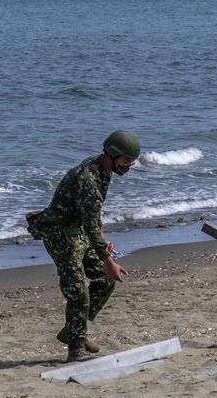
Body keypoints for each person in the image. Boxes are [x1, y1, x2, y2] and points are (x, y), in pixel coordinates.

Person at [26, 130, 139, 362]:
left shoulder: (104, 170)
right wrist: (109, 261)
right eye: (126, 161)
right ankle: (75, 348)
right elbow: (89, 223)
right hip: (59, 233)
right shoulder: (89, 179)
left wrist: (104, 244)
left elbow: (93, 218)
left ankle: (74, 331)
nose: (128, 166)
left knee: (105, 280)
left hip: (78, 230)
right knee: (78, 291)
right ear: (113, 154)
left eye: (131, 162)